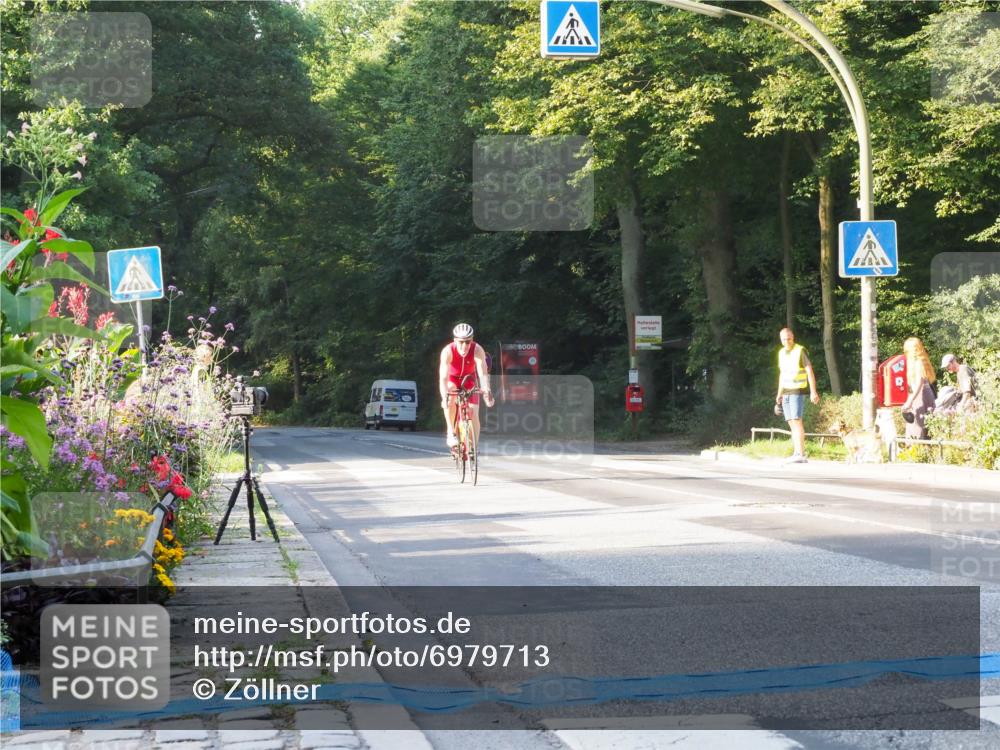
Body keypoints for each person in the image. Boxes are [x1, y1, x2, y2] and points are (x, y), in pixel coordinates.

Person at [439, 323, 493, 454]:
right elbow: (443, 378)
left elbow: (482, 373)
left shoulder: (477, 349)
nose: (464, 346)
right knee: (450, 399)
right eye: (461, 342)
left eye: (468, 342)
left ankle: (474, 446)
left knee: (474, 412)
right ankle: (451, 432)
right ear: (455, 340)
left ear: (472, 340)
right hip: (452, 379)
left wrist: (486, 391)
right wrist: (444, 397)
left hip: (469, 379)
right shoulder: (447, 351)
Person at [774, 328, 820, 463]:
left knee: (796, 420)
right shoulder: (781, 353)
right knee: (791, 422)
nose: (786, 341)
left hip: (797, 391)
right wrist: (779, 393)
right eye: (784, 339)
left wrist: (813, 391)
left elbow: (809, 371)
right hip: (786, 391)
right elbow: (782, 374)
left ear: (792, 337)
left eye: (788, 338)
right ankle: (796, 452)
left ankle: (801, 453)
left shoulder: (800, 350)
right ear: (781, 340)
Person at [901, 337, 936, 440]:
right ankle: (920, 451)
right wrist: (909, 400)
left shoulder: (918, 363)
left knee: (919, 426)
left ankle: (920, 451)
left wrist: (910, 401)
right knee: (918, 425)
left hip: (922, 396)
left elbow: (919, 385)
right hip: (921, 395)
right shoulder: (917, 363)